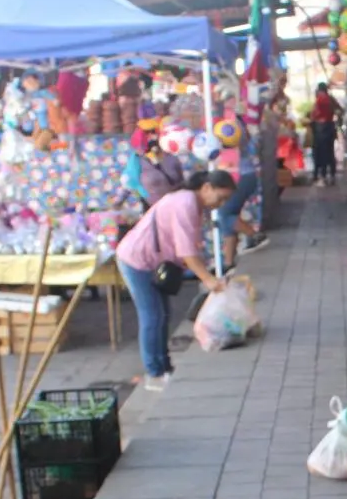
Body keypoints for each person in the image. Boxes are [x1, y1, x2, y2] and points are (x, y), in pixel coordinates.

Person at [115, 170, 236, 390]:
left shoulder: (193, 204)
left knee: (163, 314)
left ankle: (164, 367)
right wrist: (208, 279)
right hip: (137, 261)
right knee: (152, 316)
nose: (221, 204)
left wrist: (207, 273)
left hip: (155, 262)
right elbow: (187, 251)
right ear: (206, 187)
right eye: (220, 198)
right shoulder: (185, 203)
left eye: (225, 200)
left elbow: (190, 247)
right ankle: (154, 373)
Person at [214, 121, 268, 272]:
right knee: (227, 217)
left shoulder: (231, 128)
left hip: (241, 177)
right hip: (244, 176)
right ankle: (229, 261)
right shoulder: (239, 128)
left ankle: (255, 235)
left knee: (224, 213)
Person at [125, 121, 184, 207]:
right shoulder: (137, 161)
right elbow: (130, 182)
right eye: (146, 134)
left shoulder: (171, 158)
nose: (151, 137)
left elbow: (182, 183)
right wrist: (118, 202)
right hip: (152, 209)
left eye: (153, 132)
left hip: (175, 207)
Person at [312, 81, 341, 184]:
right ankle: (332, 175)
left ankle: (323, 176)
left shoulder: (319, 99)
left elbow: (314, 114)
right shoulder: (331, 99)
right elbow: (339, 110)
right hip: (330, 127)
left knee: (321, 153)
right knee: (330, 151)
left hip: (320, 129)